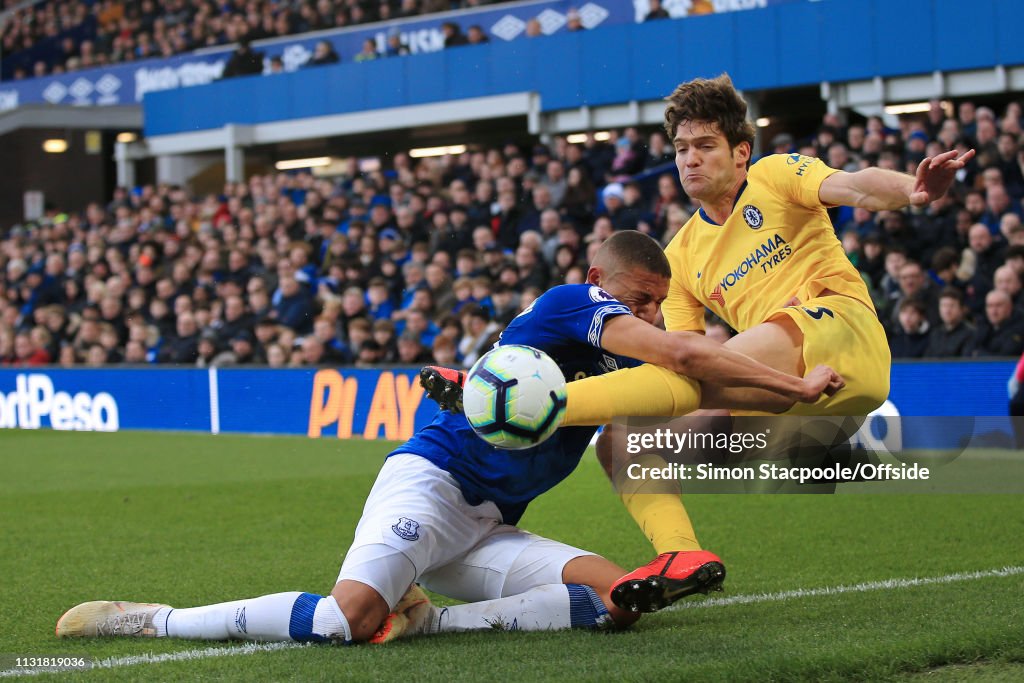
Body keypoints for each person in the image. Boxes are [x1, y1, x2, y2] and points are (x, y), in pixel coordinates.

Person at [56, 232, 834, 645]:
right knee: (348, 620)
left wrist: (760, 415)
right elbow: (687, 359)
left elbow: (640, 432)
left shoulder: (612, 365)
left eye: (659, 305)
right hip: (430, 481)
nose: (652, 318)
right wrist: (792, 383)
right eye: (641, 299)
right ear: (602, 277)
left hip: (493, 518)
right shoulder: (572, 302)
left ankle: (431, 616)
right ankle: (149, 617)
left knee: (618, 601)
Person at [430, 74, 973, 614]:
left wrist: (913, 191)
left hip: (841, 331)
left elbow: (854, 185)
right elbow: (683, 370)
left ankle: (506, 402)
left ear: (740, 153)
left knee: (705, 364)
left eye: (706, 146)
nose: (690, 160)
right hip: (790, 394)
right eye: (682, 148)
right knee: (623, 445)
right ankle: (681, 556)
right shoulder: (681, 258)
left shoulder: (775, 176)